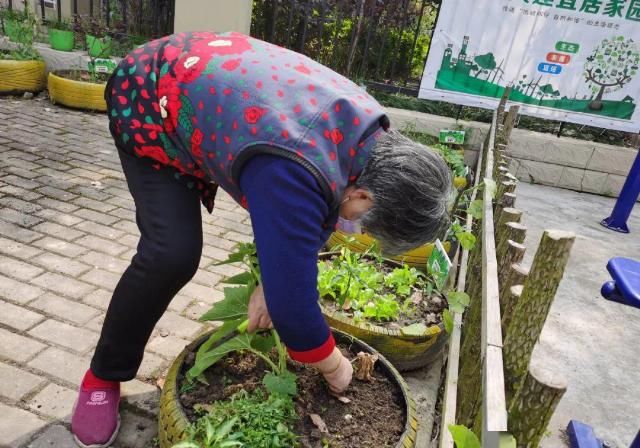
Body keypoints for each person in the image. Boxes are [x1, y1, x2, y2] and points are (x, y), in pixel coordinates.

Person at [70, 31, 452, 447]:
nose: (355, 229)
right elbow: (295, 313)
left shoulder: (371, 137)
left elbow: (321, 205)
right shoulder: (294, 167)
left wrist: (271, 280)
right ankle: (102, 375)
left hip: (206, 85)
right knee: (171, 252)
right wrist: (335, 367)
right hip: (148, 96)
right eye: (364, 222)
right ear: (363, 194)